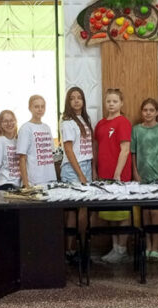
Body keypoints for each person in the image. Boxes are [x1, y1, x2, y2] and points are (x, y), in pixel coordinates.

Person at [94, 88, 133, 263]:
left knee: (122, 214)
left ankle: (122, 249)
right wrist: (95, 170)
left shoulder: (123, 122)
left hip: (119, 177)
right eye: (108, 101)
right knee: (110, 214)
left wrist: (117, 173)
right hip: (104, 176)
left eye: (115, 101)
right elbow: (97, 148)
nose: (111, 104)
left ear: (121, 103)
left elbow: (125, 150)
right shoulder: (100, 124)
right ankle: (115, 248)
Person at [131, 98, 158, 261]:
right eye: (145, 110)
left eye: (151, 110)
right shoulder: (136, 130)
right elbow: (133, 154)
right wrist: (135, 173)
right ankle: (147, 245)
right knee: (145, 212)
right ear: (142, 112)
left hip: (157, 178)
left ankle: (156, 247)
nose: (148, 113)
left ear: (156, 112)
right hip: (142, 178)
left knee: (155, 212)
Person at [60, 87, 95, 261]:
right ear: (68, 102)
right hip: (73, 169)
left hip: (86, 165)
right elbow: (68, 150)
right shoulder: (67, 121)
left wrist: (91, 170)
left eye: (79, 97)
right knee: (74, 211)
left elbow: (89, 148)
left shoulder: (85, 119)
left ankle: (80, 247)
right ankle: (70, 250)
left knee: (84, 210)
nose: (76, 100)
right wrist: (80, 174)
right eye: (72, 98)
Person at [17, 95, 57, 187]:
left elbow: (50, 154)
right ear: (30, 108)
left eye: (42, 106)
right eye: (36, 106)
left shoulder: (47, 128)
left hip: (50, 178)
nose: (40, 109)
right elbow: (22, 158)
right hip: (34, 181)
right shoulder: (25, 128)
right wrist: (26, 184)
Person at [0, 110, 21, 191]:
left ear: (16, 121)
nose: (9, 124)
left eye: (11, 120)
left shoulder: (18, 140)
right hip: (5, 184)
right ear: (0, 124)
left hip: (18, 185)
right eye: (5, 121)